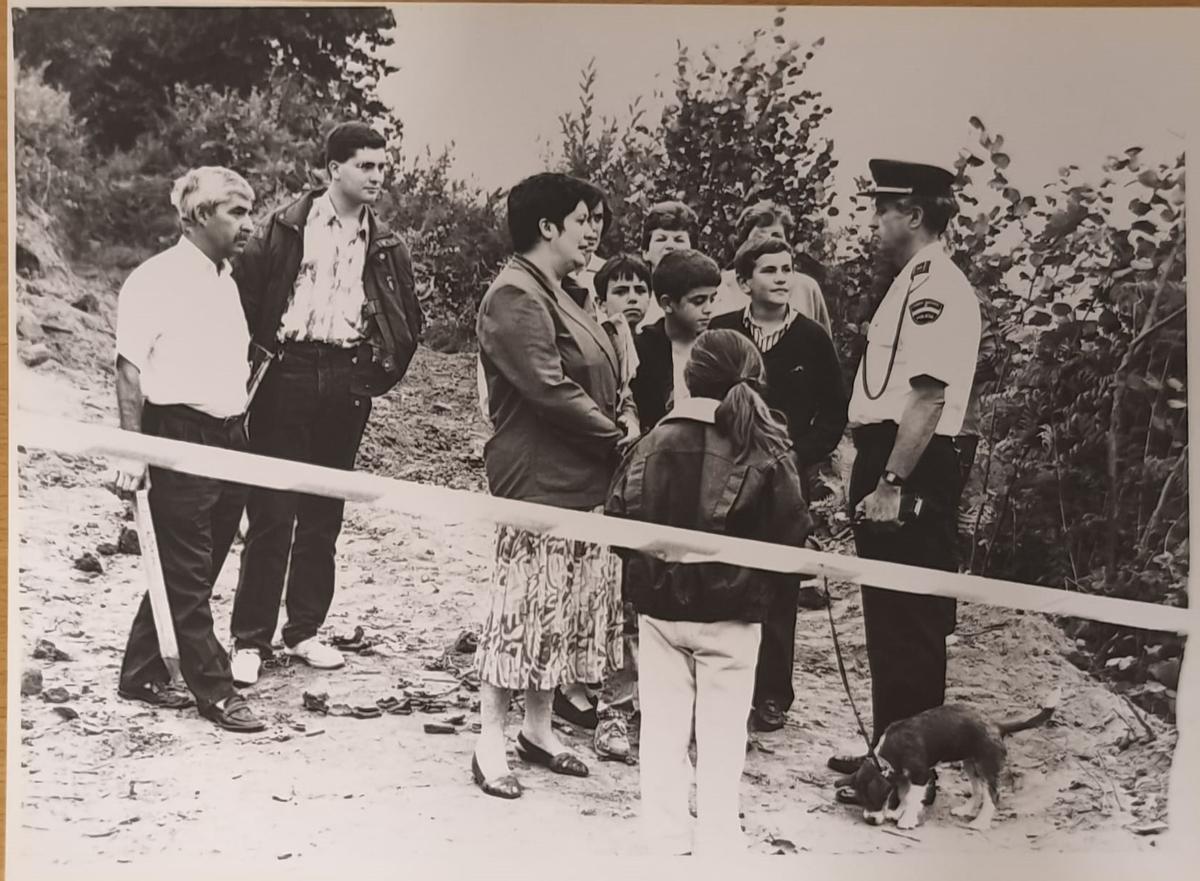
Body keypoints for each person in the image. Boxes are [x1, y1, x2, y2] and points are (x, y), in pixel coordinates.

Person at [229, 122, 423, 686]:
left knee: (324, 511)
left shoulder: (386, 244)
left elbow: (406, 320)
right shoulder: (285, 227)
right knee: (273, 509)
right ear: (332, 168)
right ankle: (250, 639)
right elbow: (243, 299)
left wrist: (374, 374)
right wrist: (252, 364)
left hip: (346, 378)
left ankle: (304, 630)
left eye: (382, 167)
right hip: (285, 370)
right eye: (366, 166)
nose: (377, 177)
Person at [607, 329, 812, 855]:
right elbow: (791, 535)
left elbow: (617, 524)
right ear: (752, 380)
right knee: (723, 737)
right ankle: (721, 837)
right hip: (732, 615)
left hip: (659, 612)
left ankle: (664, 836)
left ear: (688, 377)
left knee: (661, 730)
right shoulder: (765, 445)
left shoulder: (649, 442)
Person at [471, 172, 628, 799]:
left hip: (580, 476)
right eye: (585, 219)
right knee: (520, 612)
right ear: (547, 226)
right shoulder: (515, 294)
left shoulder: (561, 292)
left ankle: (538, 730)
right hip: (538, 477)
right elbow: (549, 388)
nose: (595, 233)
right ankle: (489, 740)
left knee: (558, 613)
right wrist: (620, 440)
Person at [826, 159, 982, 781]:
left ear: (913, 216)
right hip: (889, 454)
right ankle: (886, 756)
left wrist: (890, 483)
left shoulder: (937, 287)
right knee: (887, 618)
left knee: (911, 622)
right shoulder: (909, 282)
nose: (873, 222)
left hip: (911, 463)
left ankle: (909, 772)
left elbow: (929, 396)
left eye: (881, 210)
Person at [109, 167, 265, 733]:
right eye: (237, 214)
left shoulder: (227, 280)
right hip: (177, 433)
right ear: (199, 217)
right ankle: (216, 691)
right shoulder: (155, 279)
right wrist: (134, 452)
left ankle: (142, 670)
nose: (249, 226)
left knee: (195, 569)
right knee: (189, 568)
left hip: (231, 436)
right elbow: (128, 372)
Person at [710, 235, 848, 732]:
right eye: (770, 270)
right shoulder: (724, 332)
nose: (783, 278)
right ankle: (727, 683)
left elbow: (834, 414)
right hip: (726, 472)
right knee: (725, 572)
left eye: (788, 269)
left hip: (787, 478)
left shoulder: (812, 339)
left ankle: (772, 695)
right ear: (744, 281)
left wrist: (796, 456)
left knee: (780, 584)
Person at [630, 249, 721, 433]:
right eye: (699, 301)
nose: (708, 309)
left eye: (712, 299)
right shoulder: (641, 349)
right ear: (667, 303)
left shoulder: (719, 347)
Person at [710, 200, 832, 335]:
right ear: (744, 243)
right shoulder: (720, 285)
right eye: (759, 238)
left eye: (777, 237)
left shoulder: (807, 288)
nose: (769, 245)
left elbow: (823, 347)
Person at [636, 200, 700, 328]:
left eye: (679, 240)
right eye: (661, 239)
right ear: (645, 252)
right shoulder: (634, 297)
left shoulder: (710, 297)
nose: (670, 246)